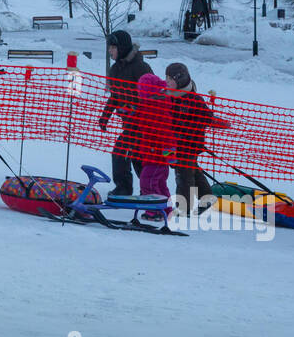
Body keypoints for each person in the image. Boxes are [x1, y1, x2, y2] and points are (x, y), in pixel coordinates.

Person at [163, 62, 229, 214]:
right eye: (166, 78)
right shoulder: (170, 97)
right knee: (192, 170)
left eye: (170, 79)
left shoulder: (194, 100)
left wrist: (219, 122)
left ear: (179, 80)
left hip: (190, 144)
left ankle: (183, 208)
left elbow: (207, 117)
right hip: (176, 143)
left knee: (183, 175)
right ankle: (207, 197)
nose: (167, 81)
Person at [98, 30, 154, 196]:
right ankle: (124, 188)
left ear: (121, 48)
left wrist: (138, 110)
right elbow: (115, 96)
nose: (110, 51)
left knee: (134, 157)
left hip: (144, 125)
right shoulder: (115, 70)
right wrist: (105, 116)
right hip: (129, 124)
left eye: (113, 48)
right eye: (110, 48)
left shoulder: (141, 68)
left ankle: (149, 191)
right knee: (125, 155)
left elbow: (154, 95)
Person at [132, 73, 176, 218]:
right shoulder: (148, 105)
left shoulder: (158, 108)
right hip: (151, 155)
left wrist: (169, 154)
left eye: (142, 91)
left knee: (148, 182)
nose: (140, 94)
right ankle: (167, 209)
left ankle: (154, 211)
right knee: (160, 185)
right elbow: (137, 112)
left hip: (157, 157)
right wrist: (127, 110)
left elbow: (166, 133)